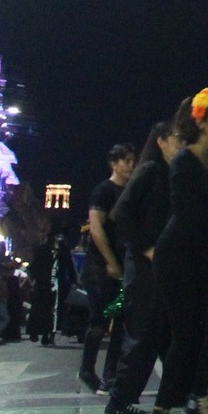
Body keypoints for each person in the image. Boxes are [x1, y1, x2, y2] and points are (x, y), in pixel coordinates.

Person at [147, 88, 208, 414]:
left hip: (198, 254)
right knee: (184, 336)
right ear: (200, 122)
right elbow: (191, 215)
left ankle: (197, 397)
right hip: (175, 256)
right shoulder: (184, 162)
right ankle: (161, 410)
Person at [102, 121, 180, 414]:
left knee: (159, 333)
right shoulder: (149, 171)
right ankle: (120, 397)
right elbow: (121, 213)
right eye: (177, 139)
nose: (182, 145)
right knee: (142, 332)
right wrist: (147, 248)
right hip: (144, 266)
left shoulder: (169, 175)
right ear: (161, 141)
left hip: (158, 265)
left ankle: (161, 396)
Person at [80, 144, 136, 396]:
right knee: (100, 321)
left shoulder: (131, 193)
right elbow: (96, 228)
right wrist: (110, 262)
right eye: (125, 161)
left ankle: (110, 376)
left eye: (132, 161)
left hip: (123, 268)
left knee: (121, 321)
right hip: (99, 269)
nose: (130, 165)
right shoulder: (103, 191)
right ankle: (87, 370)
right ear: (114, 163)